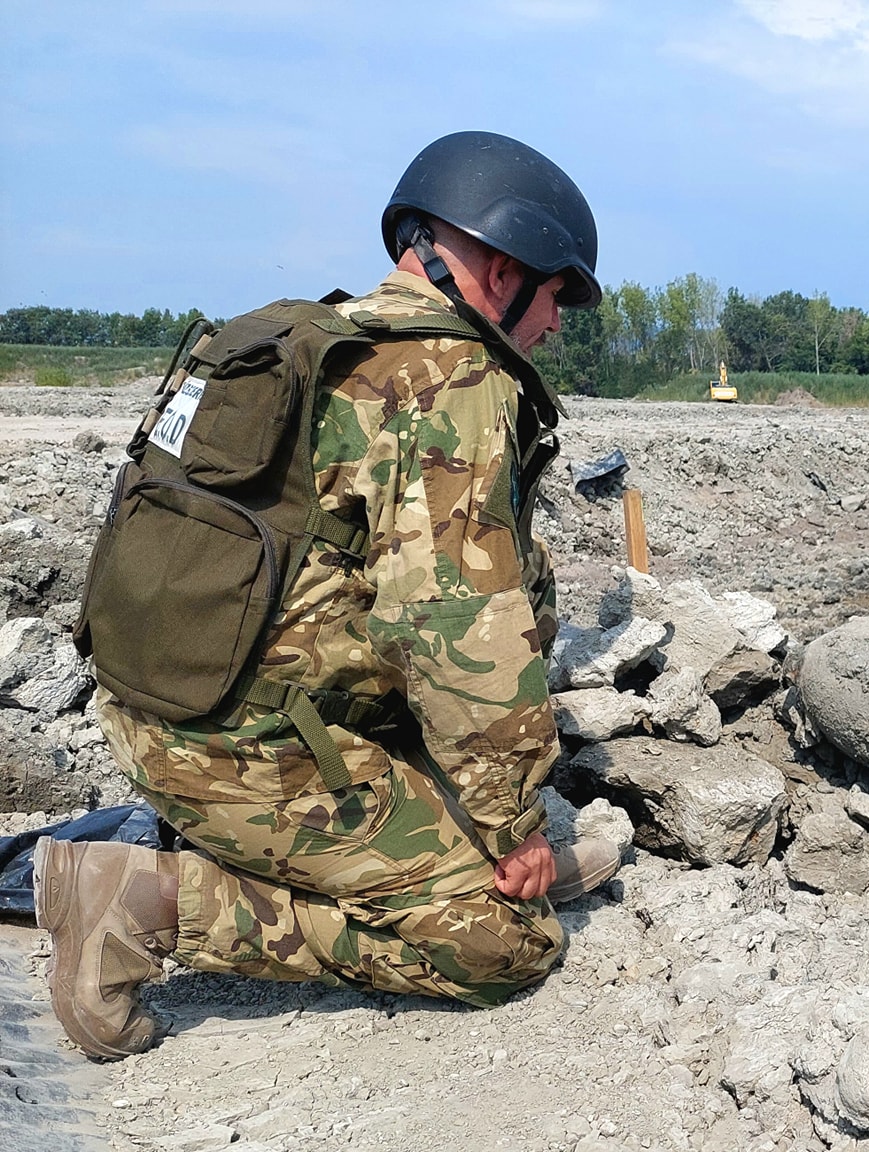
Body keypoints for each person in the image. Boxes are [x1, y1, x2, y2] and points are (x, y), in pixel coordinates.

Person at [35, 131, 618, 1059]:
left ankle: (411, 857)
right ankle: (143, 907)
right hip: (249, 754)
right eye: (555, 297)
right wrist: (515, 832)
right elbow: (457, 637)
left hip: (157, 715)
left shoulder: (302, 335)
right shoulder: (447, 380)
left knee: (465, 825)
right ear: (504, 267)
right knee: (507, 943)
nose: (554, 326)